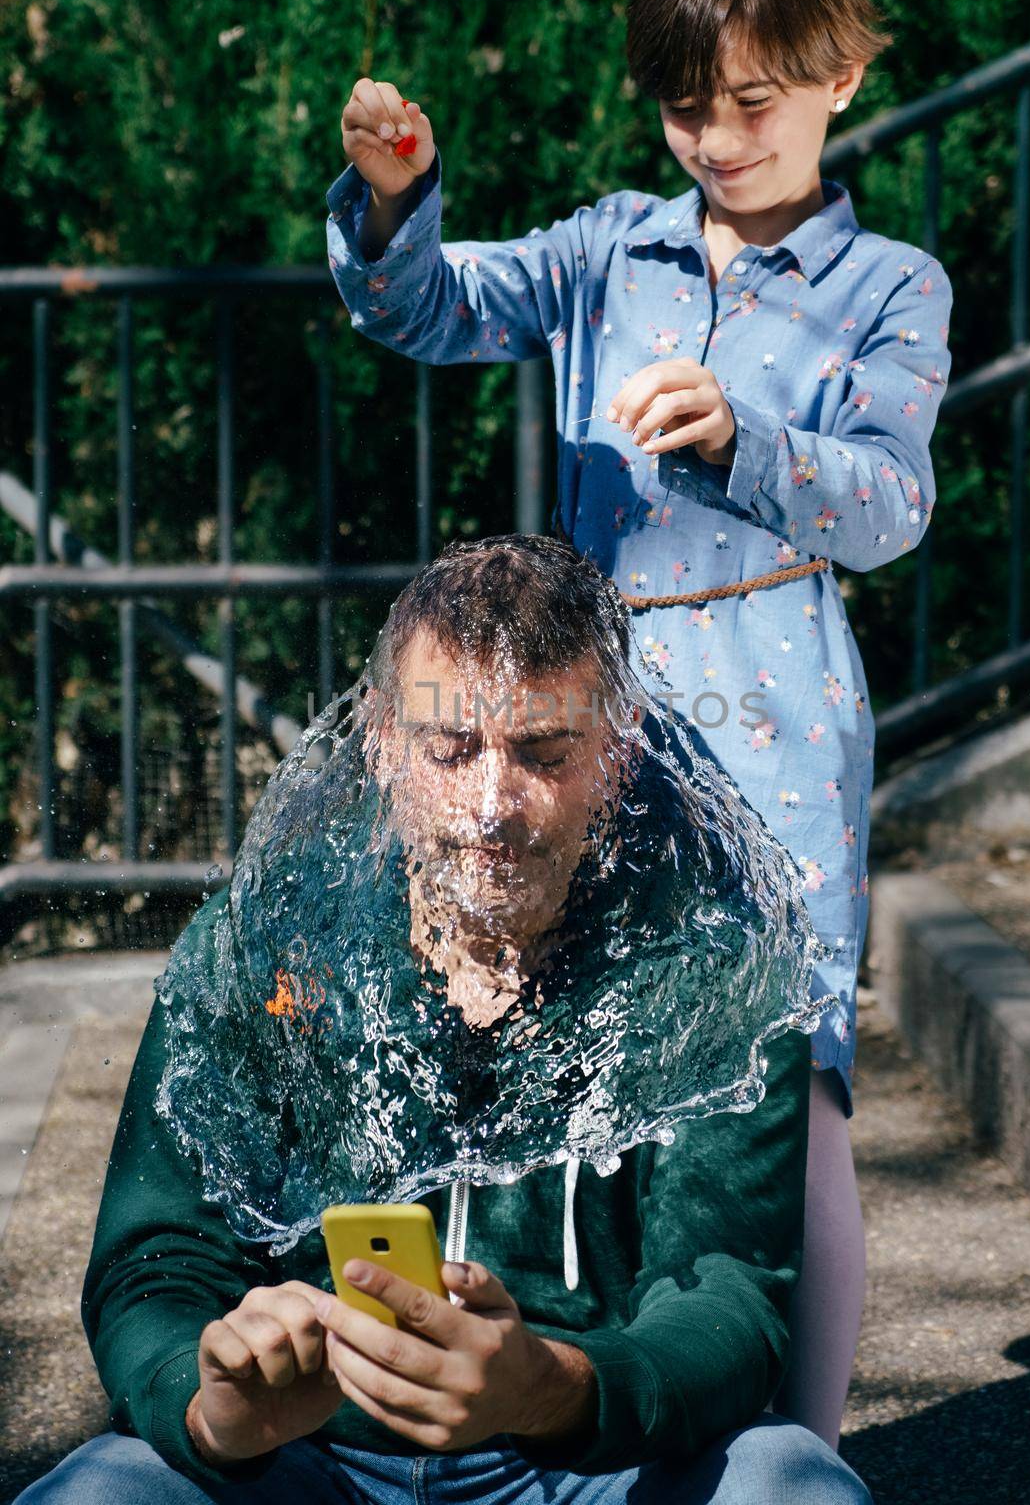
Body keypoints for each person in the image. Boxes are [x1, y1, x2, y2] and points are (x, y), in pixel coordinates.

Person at [322, 0, 954, 1451]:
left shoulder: (889, 284)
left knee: (789, 1088)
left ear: (841, 76)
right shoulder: (609, 246)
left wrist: (745, 438)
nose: (718, 139)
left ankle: (791, 1451)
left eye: (753, 101)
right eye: (687, 106)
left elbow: (886, 508)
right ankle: (603, 1419)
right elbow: (427, 310)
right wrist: (392, 201)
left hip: (785, 727)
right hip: (590, 724)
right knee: (583, 1043)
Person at [13, 535, 873, 1503]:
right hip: (301, 1461)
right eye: (450, 749)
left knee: (787, 1482)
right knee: (100, 1491)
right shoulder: (271, 938)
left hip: (590, 1469)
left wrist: (547, 1387)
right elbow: (156, 1255)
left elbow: (728, 1297)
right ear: (381, 737)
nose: (489, 807)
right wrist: (209, 1410)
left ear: (616, 749)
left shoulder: (709, 958)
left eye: (543, 753)